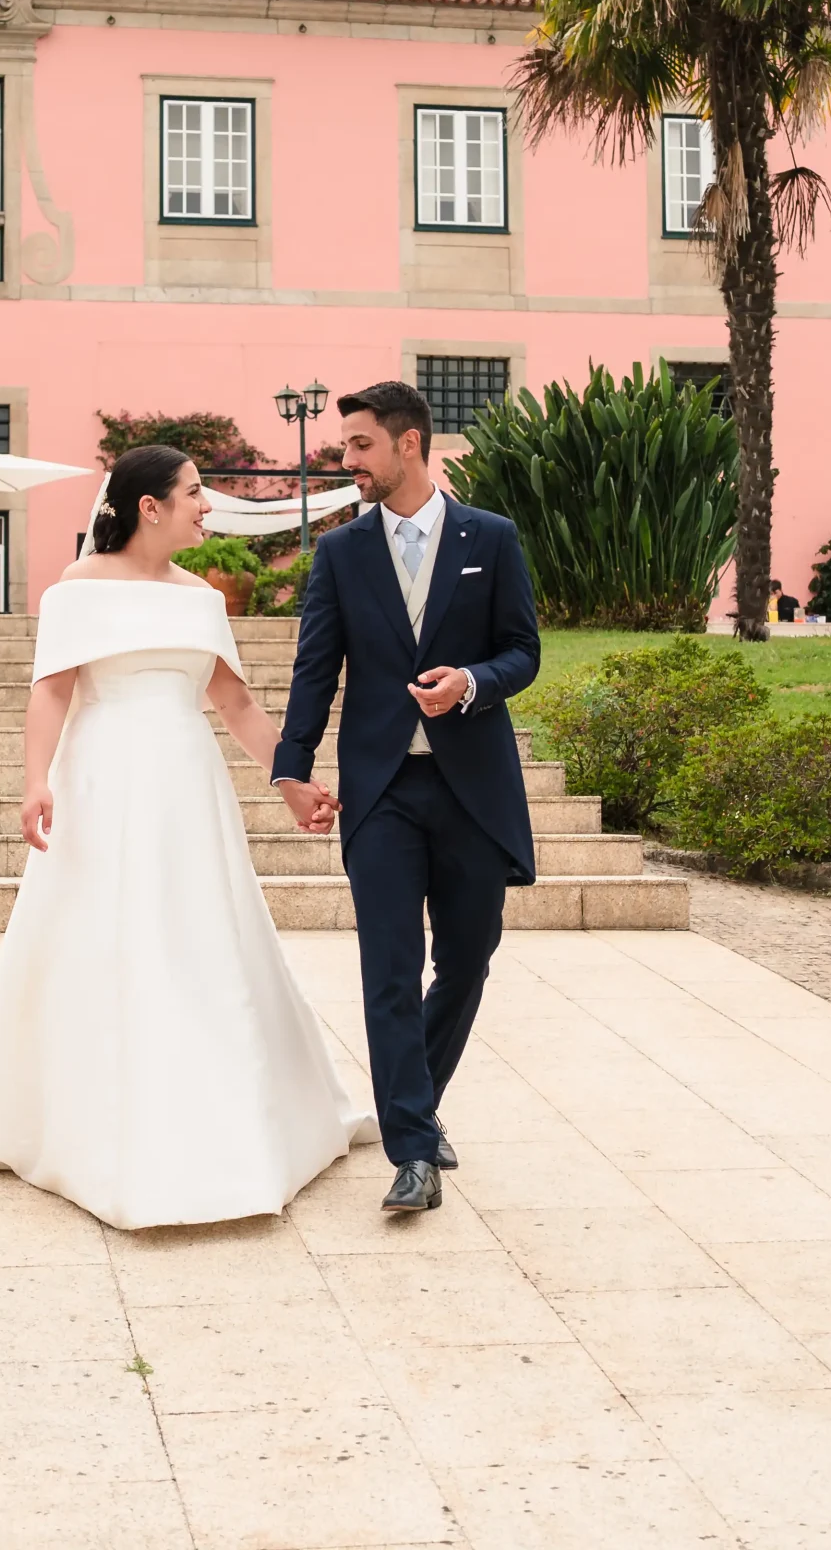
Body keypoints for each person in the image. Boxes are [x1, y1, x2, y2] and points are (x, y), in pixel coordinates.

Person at [0, 445, 374, 1228]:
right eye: (196, 493)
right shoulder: (78, 588)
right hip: (103, 775)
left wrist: (291, 782)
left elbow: (235, 704)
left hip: (187, 783)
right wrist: (36, 780)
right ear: (149, 506)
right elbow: (52, 690)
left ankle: (226, 1108)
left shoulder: (203, 598)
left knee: (203, 932)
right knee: (104, 930)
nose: (209, 506)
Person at [275, 382, 541, 1213]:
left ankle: (414, 1100)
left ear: (410, 444)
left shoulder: (491, 539)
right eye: (345, 447)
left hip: (473, 791)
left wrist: (472, 682)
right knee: (387, 969)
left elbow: (524, 651)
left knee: (466, 960)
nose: (346, 460)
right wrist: (291, 769)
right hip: (382, 790)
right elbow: (316, 668)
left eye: (359, 446)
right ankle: (414, 1152)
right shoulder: (341, 553)